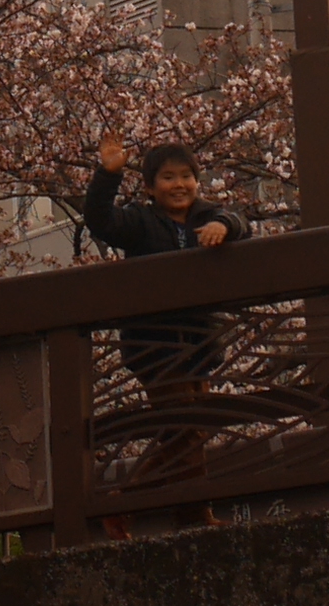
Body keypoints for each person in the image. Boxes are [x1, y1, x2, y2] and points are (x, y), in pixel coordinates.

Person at [79, 135, 241, 507]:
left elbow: (240, 222)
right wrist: (108, 175)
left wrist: (226, 226)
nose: (179, 185)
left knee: (188, 430)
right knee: (187, 429)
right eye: (168, 178)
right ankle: (193, 514)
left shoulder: (208, 215)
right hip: (155, 346)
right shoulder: (140, 221)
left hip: (200, 343)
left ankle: (130, 504)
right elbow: (101, 221)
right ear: (151, 187)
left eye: (187, 176)